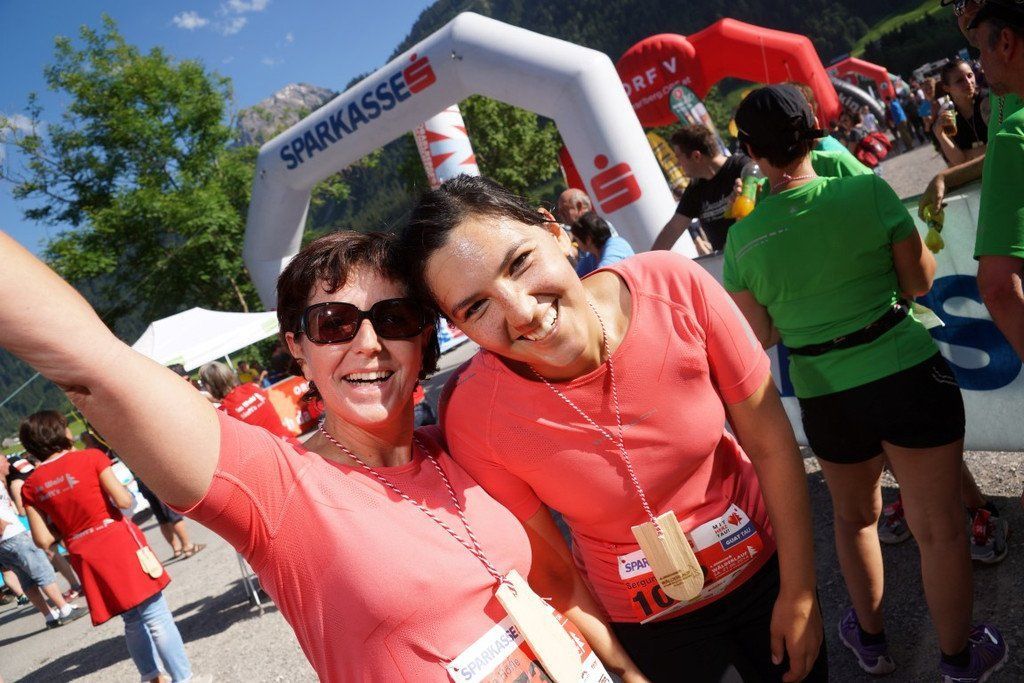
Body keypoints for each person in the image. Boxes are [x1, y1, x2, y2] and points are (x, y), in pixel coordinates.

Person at [0, 229, 645, 682]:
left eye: (393, 318)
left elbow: (556, 583)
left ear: (423, 339)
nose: (367, 343)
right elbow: (94, 366)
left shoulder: (461, 443)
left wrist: (627, 670)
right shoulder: (278, 486)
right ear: (297, 349)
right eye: (333, 323)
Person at [400, 174, 826, 682]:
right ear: (457, 325)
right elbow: (553, 569)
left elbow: (771, 442)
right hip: (645, 630)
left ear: (555, 231)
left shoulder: (674, 286)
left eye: (519, 263)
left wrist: (800, 591)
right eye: (476, 307)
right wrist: (625, 672)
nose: (523, 312)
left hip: (766, 575)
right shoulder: (473, 417)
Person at [723, 84, 1007, 681]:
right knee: (940, 530)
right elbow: (920, 283)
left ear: (751, 151)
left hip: (826, 393)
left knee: (854, 519)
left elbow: (761, 334)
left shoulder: (743, 239)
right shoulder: (867, 191)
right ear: (813, 132)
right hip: (905, 371)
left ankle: (873, 643)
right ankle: (958, 660)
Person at [19, 412, 195, 683]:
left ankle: (151, 676)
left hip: (84, 551)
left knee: (132, 619)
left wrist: (69, 525)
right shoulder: (91, 458)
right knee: (156, 615)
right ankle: (182, 678)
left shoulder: (31, 485)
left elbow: (42, 540)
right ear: (57, 432)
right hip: (116, 539)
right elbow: (123, 500)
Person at [969, 0, 1024, 364]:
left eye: (980, 51)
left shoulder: (1013, 137)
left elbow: (998, 287)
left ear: (1005, 42)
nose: (980, 65)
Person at [0, 453, 87, 629]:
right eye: (4, 460)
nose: (8, 463)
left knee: (26, 580)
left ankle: (49, 615)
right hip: (13, 536)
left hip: (5, 541)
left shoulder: (3, 483)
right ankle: (64, 609)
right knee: (42, 572)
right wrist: (2, 525)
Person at [652, 125, 747, 254]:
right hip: (729, 261)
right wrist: (647, 261)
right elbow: (673, 229)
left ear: (696, 156)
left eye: (679, 157)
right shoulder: (695, 187)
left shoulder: (742, 167)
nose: (678, 163)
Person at [199, 361, 294, 440]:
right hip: (291, 443)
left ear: (209, 386)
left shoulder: (223, 412)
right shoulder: (253, 387)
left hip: (274, 455)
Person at [934, 58, 989, 166]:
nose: (968, 82)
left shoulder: (988, 100)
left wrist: (967, 154)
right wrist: (939, 134)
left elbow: (1002, 143)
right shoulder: (948, 116)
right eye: (959, 81)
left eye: (970, 75)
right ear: (946, 88)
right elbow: (958, 161)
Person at [570, 212, 635, 274]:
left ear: (588, 239)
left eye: (576, 239)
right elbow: (577, 277)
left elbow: (605, 275)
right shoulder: (591, 257)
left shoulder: (617, 245)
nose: (576, 243)